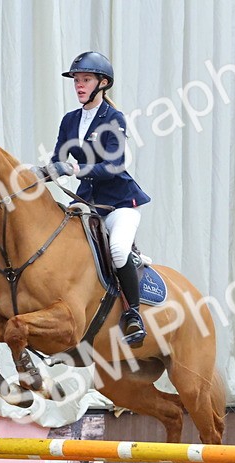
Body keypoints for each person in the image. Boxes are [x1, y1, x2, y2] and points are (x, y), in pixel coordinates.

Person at [34, 51, 151, 346]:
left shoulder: (115, 119)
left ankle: (133, 314)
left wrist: (76, 168)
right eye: (76, 80)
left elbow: (114, 164)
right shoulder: (70, 120)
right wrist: (36, 174)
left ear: (102, 83)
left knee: (119, 251)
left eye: (85, 79)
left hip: (120, 203)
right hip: (86, 202)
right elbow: (58, 158)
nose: (79, 85)